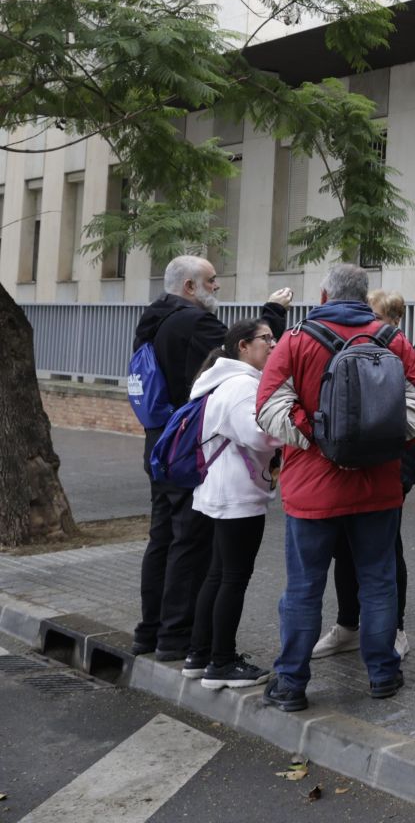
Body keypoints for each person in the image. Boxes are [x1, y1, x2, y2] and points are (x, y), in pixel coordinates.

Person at [255, 264, 415, 711]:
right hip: (378, 487)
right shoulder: (393, 340)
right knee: (378, 582)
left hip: (311, 491)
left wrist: (319, 437)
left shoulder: (296, 340)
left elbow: (268, 406)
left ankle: (292, 684)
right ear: (364, 295)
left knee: (303, 587)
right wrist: (383, 440)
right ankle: (383, 675)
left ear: (322, 294)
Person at [131, 255, 290, 660]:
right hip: (192, 451)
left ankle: (150, 632)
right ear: (189, 287)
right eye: (211, 280)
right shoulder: (196, 323)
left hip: (161, 445)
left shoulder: (152, 318)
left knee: (162, 539)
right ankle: (176, 637)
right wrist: (272, 315)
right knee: (192, 544)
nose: (216, 287)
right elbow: (238, 351)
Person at [313, 288, 415, 661]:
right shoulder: (334, 345)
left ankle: (395, 629)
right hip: (342, 470)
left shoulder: (398, 349)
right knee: (345, 552)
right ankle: (349, 626)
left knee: (386, 552)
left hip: (387, 469)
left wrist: (401, 459)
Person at [182, 318, 283, 690]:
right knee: (233, 578)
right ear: (243, 345)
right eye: (265, 339)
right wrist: (288, 429)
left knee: (218, 574)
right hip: (238, 496)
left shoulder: (220, 380)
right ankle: (221, 662)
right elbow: (258, 434)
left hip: (220, 491)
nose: (273, 345)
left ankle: (199, 654)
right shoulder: (240, 385)